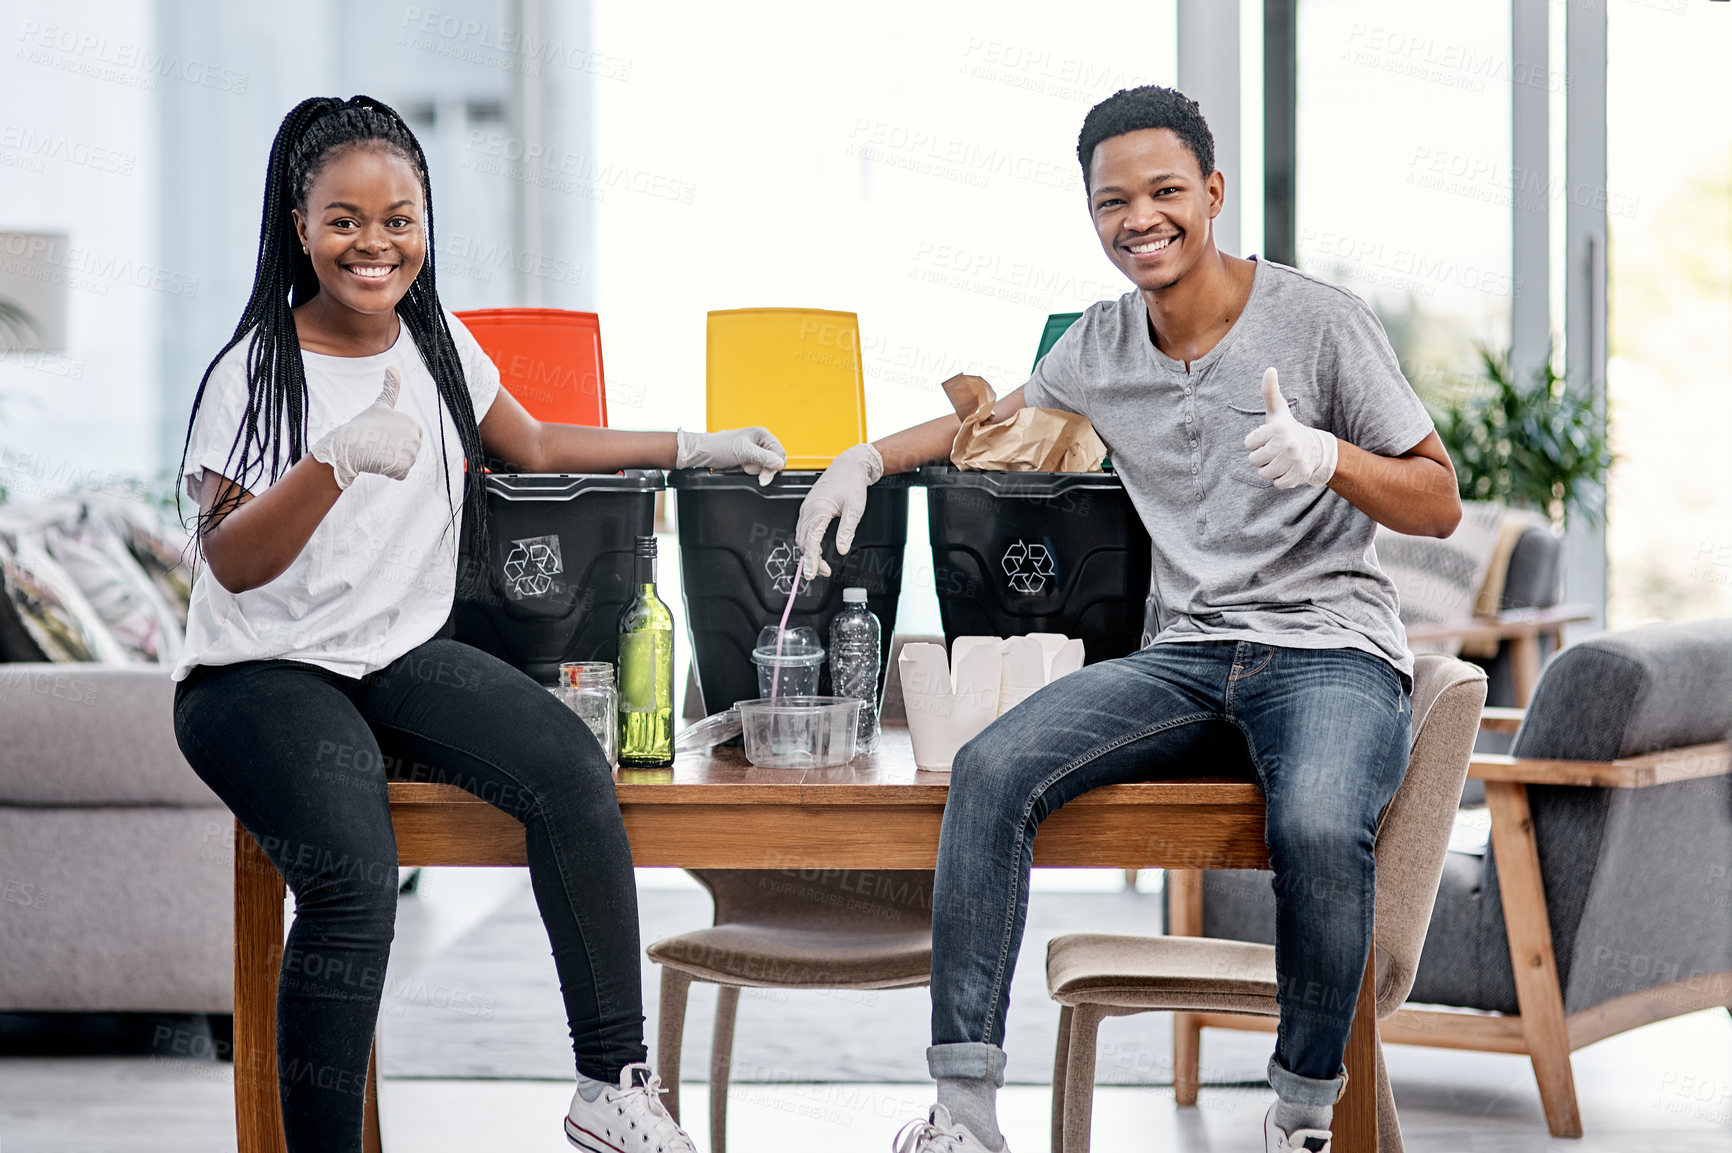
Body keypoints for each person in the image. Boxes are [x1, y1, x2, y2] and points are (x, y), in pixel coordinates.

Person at [796, 86, 1461, 1153]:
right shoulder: (1101, 346)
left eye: (1163, 192)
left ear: (1212, 193)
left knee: (1312, 824)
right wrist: (865, 459)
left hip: (1330, 648)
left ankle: (1298, 1116)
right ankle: (962, 1113)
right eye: (1113, 201)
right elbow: (990, 419)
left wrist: (1327, 456)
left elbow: (1438, 499)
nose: (1139, 219)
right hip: (1188, 654)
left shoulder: (1320, 321)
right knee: (992, 768)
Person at [171, 95, 782, 1153]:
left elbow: (536, 446)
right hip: (258, 672)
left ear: (426, 223)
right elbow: (232, 558)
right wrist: (331, 462)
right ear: (299, 222)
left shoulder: (438, 342)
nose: (375, 243)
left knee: (568, 765)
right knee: (353, 880)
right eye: (346, 219)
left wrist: (696, 443)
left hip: (394, 652)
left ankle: (609, 1084)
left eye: (399, 218)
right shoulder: (255, 370)